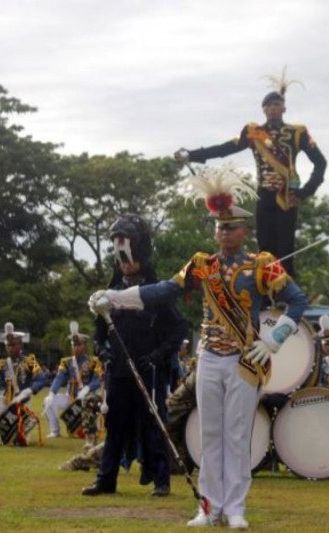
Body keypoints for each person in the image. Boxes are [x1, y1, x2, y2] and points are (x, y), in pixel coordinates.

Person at [89, 169, 308, 529]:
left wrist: (272, 340)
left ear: (244, 231)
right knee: (209, 433)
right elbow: (162, 291)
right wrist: (114, 298)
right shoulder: (203, 266)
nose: (224, 232)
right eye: (219, 227)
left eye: (230, 227)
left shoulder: (261, 265)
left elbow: (297, 302)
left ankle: (235, 508)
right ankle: (209, 507)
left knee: (237, 434)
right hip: (209, 357)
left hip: (243, 360)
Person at [174, 68, 326, 279]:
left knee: (286, 250)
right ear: (263, 110)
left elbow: (321, 163)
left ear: (284, 108)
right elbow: (225, 148)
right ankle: (264, 293)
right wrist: (192, 154)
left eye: (276, 105)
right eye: (268, 106)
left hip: (286, 197)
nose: (273, 109)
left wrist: (304, 192)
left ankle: (287, 294)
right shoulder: (254, 133)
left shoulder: (297, 133)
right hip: (264, 194)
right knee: (264, 249)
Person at [82, 214, 187, 499]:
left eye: (130, 259)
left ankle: (161, 481)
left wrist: (157, 356)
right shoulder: (108, 295)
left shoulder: (154, 295)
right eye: (121, 260)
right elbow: (98, 334)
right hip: (118, 372)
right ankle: (106, 479)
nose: (126, 264)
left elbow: (179, 329)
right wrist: (103, 351)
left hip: (149, 372)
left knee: (154, 425)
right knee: (114, 427)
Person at [0, 322, 46, 447]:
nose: (10, 348)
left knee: (18, 441)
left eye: (13, 345)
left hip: (23, 404)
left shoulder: (30, 360)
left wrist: (28, 391)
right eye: (8, 345)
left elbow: (42, 379)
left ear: (20, 345)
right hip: (6, 401)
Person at [43, 321, 103, 445]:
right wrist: (52, 392)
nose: (75, 347)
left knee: (91, 413)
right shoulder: (66, 362)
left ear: (84, 346)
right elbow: (59, 378)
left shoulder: (94, 361)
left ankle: (91, 431)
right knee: (47, 401)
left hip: (87, 398)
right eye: (73, 345)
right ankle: (55, 431)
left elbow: (97, 380)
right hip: (70, 398)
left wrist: (87, 389)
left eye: (78, 345)